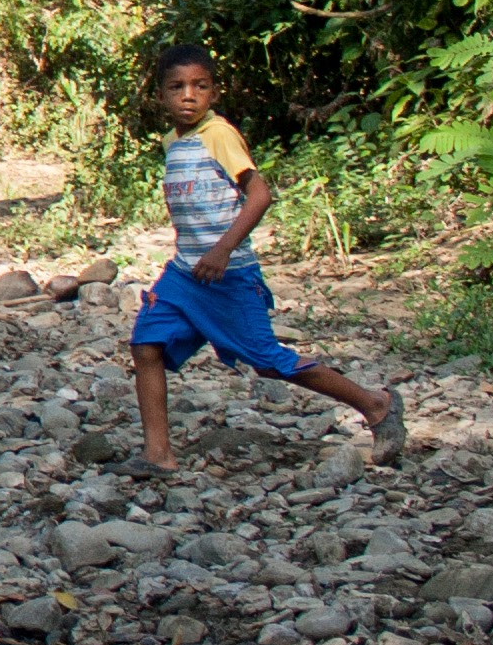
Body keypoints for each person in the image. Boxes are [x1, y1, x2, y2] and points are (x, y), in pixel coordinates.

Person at [128, 45, 401, 472]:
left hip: (227, 275)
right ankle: (158, 456)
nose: (188, 96)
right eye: (176, 87)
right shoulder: (172, 142)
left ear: (214, 93)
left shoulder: (218, 134)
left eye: (200, 86)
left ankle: (375, 404)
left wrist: (223, 249)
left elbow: (260, 194)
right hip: (185, 272)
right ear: (160, 96)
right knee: (146, 345)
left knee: (269, 361)